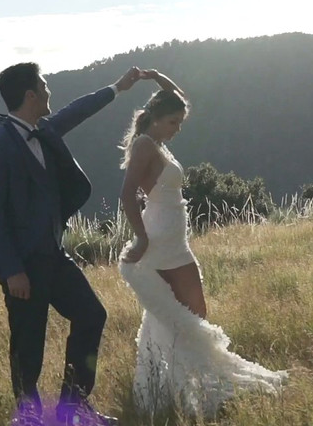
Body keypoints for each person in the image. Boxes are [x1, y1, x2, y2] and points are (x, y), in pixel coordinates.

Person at [117, 69, 288, 418]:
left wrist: (154, 76)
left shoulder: (155, 140)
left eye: (179, 122)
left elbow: (177, 96)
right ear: (155, 118)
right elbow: (126, 194)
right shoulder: (145, 145)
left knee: (177, 319)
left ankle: (177, 386)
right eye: (172, 122)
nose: (177, 128)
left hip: (171, 238)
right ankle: (199, 388)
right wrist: (141, 237)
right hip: (164, 241)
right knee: (194, 318)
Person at [0, 62, 140, 426]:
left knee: (91, 315)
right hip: (22, 266)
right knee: (28, 345)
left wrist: (117, 88)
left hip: (53, 254)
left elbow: (76, 111)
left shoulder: (45, 130)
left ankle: (73, 408)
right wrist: (13, 269)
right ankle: (29, 416)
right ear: (31, 94)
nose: (50, 91)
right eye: (45, 85)